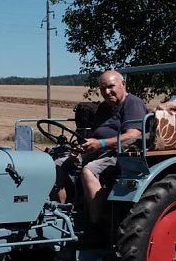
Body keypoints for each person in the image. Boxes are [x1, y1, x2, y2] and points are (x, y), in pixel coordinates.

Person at [54, 70, 147, 231]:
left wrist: (101, 143)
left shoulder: (133, 103)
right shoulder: (104, 107)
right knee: (58, 164)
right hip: (99, 150)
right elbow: (96, 133)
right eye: (103, 88)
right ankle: (61, 215)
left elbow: (133, 136)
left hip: (121, 153)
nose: (107, 92)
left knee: (89, 171)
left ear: (123, 84)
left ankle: (96, 226)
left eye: (111, 87)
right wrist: (82, 149)